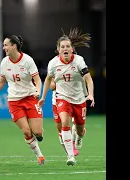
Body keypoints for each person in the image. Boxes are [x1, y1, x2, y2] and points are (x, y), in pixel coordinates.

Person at [0, 35, 45, 165]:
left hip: (30, 97)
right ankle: (39, 156)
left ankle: (39, 135)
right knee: (26, 131)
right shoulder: (4, 62)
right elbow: (1, 82)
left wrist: (38, 91)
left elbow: (38, 80)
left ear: (14, 46)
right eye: (4, 45)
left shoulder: (27, 60)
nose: (4, 47)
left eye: (6, 45)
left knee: (37, 132)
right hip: (14, 101)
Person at [38, 27, 94, 166]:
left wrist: (91, 94)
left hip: (79, 98)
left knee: (80, 130)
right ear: (58, 49)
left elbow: (88, 79)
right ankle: (70, 156)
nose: (65, 48)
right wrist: (43, 97)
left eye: (68, 46)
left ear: (72, 48)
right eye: (62, 46)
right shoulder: (53, 63)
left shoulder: (79, 61)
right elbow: (48, 81)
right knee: (64, 123)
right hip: (62, 97)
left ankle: (78, 135)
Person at [50, 79, 79, 156]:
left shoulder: (75, 68)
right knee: (60, 129)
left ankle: (73, 141)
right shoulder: (54, 67)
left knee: (75, 123)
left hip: (73, 99)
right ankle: (69, 154)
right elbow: (52, 87)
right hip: (57, 101)